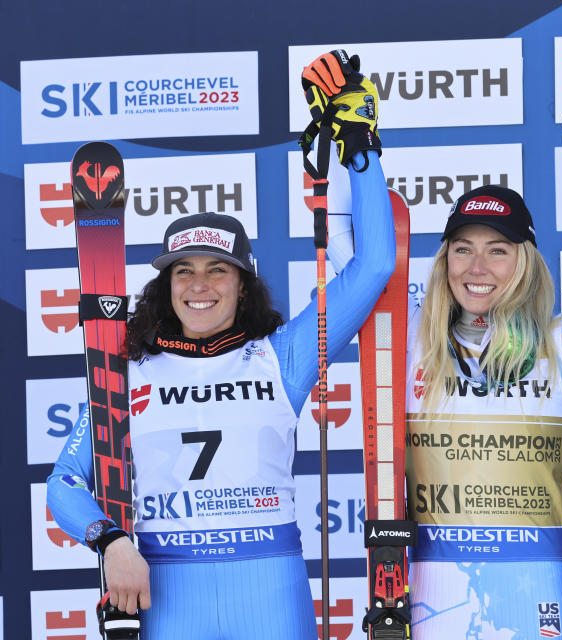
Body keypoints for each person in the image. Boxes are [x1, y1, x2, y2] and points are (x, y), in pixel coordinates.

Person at [47, 53, 395, 640]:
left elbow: (375, 264)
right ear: (165, 286)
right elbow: (65, 481)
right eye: (183, 272)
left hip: (271, 595)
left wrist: (358, 146)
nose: (200, 286)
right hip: (166, 594)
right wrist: (110, 541)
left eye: (218, 271)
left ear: (243, 284)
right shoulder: (128, 371)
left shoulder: (283, 356)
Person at [404, 78, 562, 639]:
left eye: (498, 250)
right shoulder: (414, 337)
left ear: (526, 262)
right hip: (436, 598)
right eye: (462, 249)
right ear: (444, 262)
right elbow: (353, 249)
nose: (477, 267)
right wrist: (352, 145)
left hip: (536, 594)